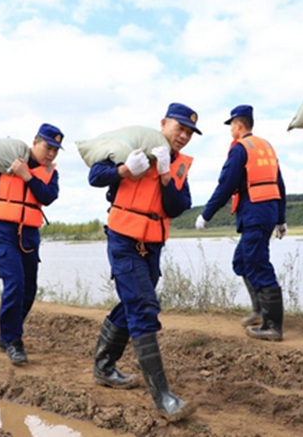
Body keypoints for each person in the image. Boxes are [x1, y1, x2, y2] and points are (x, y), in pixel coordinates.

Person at [87, 103, 201, 422]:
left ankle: (103, 366)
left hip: (152, 245)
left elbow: (179, 206)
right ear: (163, 124)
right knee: (142, 306)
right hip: (124, 239)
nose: (184, 136)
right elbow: (95, 176)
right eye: (179, 128)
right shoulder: (131, 148)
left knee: (131, 303)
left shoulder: (177, 166)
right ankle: (163, 397)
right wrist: (124, 170)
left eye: (189, 132)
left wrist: (165, 177)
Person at [0, 124, 63, 366]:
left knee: (29, 289)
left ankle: (7, 333)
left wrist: (27, 176)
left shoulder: (50, 172)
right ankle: (14, 341)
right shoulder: (7, 159)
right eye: (48, 147)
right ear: (35, 142)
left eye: (56, 149)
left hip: (30, 233)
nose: (51, 153)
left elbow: (47, 197)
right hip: (3, 229)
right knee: (14, 282)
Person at [195, 105, 287, 340]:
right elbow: (280, 184)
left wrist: (206, 214)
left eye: (231, 126)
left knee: (258, 264)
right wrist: (280, 219)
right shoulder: (265, 146)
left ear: (238, 125)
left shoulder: (240, 149)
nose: (231, 130)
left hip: (255, 213)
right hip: (266, 212)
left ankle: (273, 326)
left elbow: (226, 185)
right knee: (242, 261)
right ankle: (259, 311)